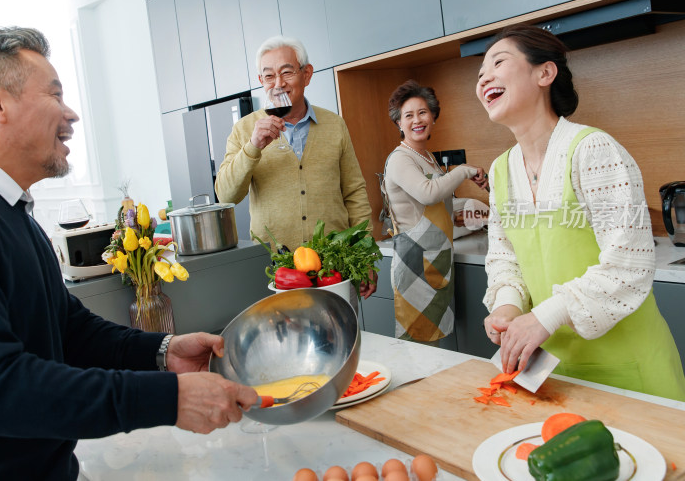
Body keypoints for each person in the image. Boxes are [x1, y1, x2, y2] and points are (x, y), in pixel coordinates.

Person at [0, 27, 258, 480]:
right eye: (55, 94)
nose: (72, 113)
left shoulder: (10, 212)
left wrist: (161, 352)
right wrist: (169, 398)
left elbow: (67, 327)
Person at [477, 24, 685, 400]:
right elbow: (504, 259)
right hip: (557, 373)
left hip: (630, 370)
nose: (483, 78)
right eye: (479, 74)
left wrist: (544, 316)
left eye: (498, 62)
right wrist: (508, 307)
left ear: (545, 73)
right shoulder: (500, 170)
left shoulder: (593, 150)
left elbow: (629, 264)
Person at [215, 35, 377, 297]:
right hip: (277, 271)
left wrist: (365, 255)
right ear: (261, 82)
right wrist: (253, 147)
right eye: (269, 76)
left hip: (333, 265)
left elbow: (355, 193)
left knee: (341, 334)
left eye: (287, 72)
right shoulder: (244, 129)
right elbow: (226, 195)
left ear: (307, 74)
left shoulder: (335, 125)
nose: (278, 83)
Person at [382, 80, 488, 343]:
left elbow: (438, 207)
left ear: (432, 117)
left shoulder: (426, 156)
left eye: (422, 112)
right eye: (409, 115)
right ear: (399, 123)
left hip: (436, 261)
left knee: (435, 344)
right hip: (415, 265)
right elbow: (428, 193)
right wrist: (462, 170)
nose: (417, 120)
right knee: (417, 346)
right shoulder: (400, 158)